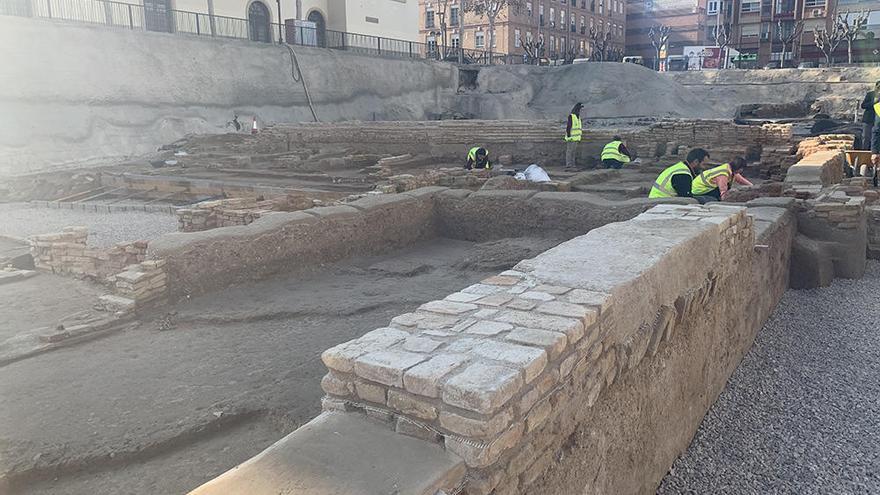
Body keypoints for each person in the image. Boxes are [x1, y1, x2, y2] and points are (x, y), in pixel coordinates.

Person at [861, 82, 880, 150]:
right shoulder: (870, 94)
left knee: (876, 138)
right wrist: (874, 102)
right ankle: (864, 152)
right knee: (866, 137)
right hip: (869, 119)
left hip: (878, 120)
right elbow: (863, 106)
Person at [564, 103, 584, 170]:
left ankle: (572, 164)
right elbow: (568, 126)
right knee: (570, 151)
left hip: (576, 138)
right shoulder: (571, 116)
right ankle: (569, 165)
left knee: (573, 152)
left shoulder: (578, 117)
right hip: (571, 138)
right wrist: (569, 136)